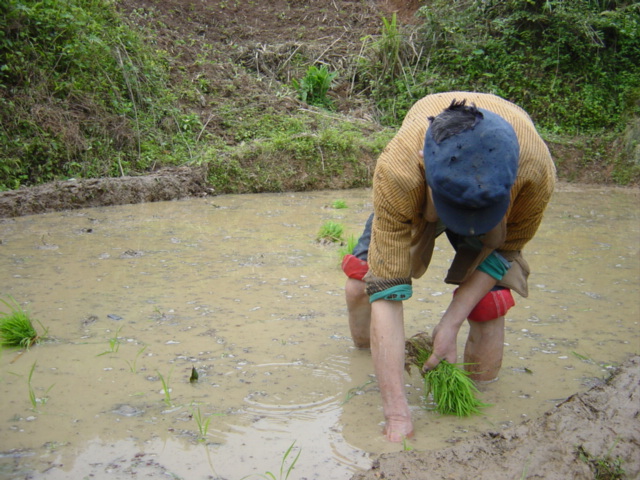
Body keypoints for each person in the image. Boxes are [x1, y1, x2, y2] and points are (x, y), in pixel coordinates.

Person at [342, 92, 556, 442]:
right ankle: (369, 361)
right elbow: (387, 291)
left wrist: (449, 324)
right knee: (359, 286)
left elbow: (504, 252)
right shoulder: (400, 168)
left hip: (496, 208)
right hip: (422, 198)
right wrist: (397, 415)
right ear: (424, 162)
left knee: (488, 306)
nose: (466, 225)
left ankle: (480, 418)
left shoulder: (535, 172)